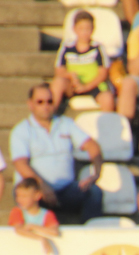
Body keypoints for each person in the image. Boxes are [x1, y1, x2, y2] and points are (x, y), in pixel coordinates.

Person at [10, 83, 104, 223]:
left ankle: (89, 234)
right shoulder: (21, 130)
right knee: (27, 195)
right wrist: (41, 186)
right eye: (40, 102)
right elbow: (20, 164)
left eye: (49, 101)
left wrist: (96, 174)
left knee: (94, 192)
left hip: (65, 189)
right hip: (36, 190)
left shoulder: (66, 123)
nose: (46, 105)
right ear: (30, 104)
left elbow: (92, 146)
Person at [51, 10, 115, 112]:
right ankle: (49, 116)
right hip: (73, 85)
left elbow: (103, 73)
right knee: (58, 83)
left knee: (107, 98)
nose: (84, 32)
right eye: (81, 29)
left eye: (87, 29)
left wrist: (85, 87)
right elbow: (59, 71)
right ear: (74, 29)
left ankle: (107, 124)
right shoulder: (66, 47)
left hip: (93, 85)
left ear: (93, 29)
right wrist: (71, 76)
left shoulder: (97, 48)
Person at [8, 178, 60, 255]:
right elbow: (19, 229)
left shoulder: (47, 214)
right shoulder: (17, 211)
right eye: (18, 196)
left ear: (37, 196)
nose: (19, 200)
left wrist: (31, 226)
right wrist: (40, 238)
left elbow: (54, 231)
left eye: (24, 196)